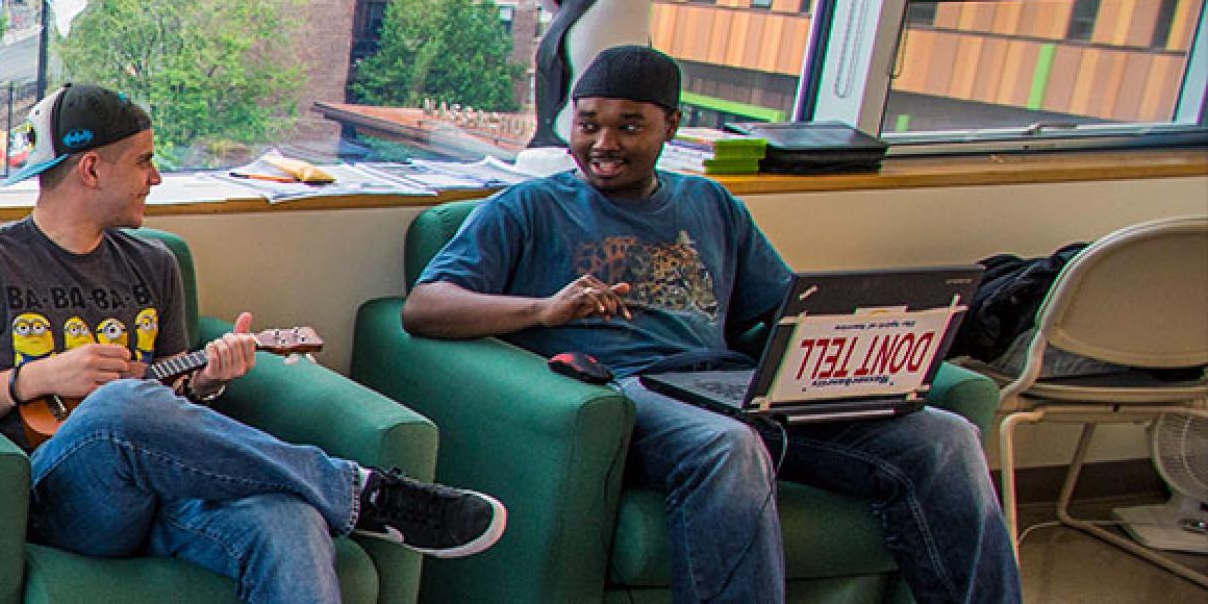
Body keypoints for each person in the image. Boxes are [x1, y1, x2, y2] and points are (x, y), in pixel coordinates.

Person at [403, 45, 1021, 604]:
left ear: (671, 126)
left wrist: (868, 337)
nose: (603, 143)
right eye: (588, 124)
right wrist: (541, 309)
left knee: (944, 437)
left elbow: (779, 308)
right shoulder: (529, 207)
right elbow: (424, 307)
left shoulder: (711, 203)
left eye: (629, 125)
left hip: (731, 383)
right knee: (729, 447)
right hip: (627, 391)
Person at [0, 83, 506, 604]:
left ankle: (334, 495)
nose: (156, 177)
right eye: (144, 161)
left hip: (167, 494)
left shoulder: (156, 263)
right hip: (66, 496)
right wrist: (38, 377)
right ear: (92, 170)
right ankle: (361, 492)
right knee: (118, 406)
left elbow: (165, 401)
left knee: (291, 518)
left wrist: (206, 381)